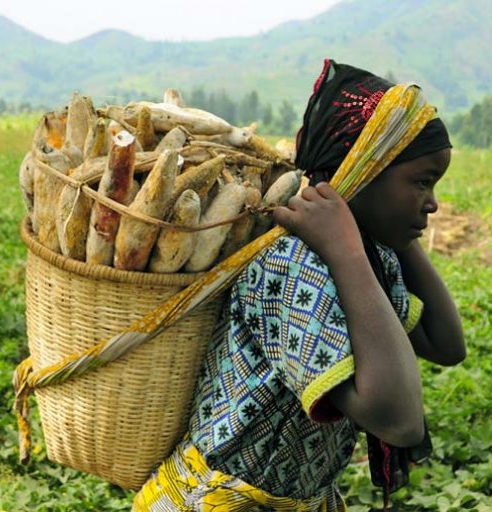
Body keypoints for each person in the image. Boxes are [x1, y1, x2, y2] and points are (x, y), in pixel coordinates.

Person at [132, 59, 466, 511]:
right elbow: (399, 420)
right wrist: (346, 249)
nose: (433, 204)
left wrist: (389, 237)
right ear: (365, 170)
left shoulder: (372, 255)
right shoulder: (291, 263)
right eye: (422, 183)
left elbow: (445, 345)